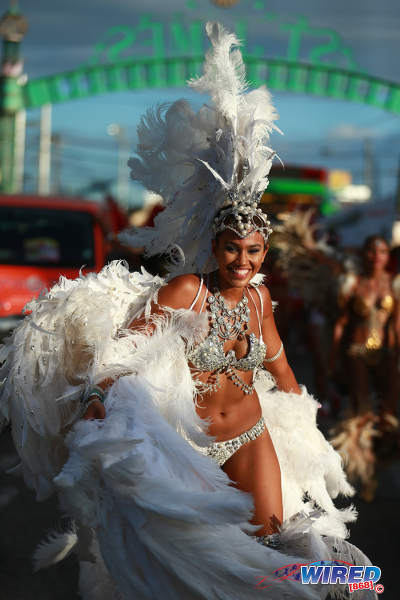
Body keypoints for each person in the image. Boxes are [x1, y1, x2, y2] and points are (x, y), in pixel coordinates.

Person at [0, 23, 375, 600]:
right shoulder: (185, 292)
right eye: (232, 249)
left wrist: (305, 415)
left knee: (277, 544)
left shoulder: (259, 299)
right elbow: (123, 351)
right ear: (215, 246)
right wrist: (98, 394)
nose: (242, 261)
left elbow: (276, 363)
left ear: (264, 253)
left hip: (249, 433)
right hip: (190, 446)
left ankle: (331, 582)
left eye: (253, 252)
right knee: (199, 561)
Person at [330, 235, 400, 500]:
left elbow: (397, 325)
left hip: (386, 355)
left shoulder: (395, 284)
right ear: (364, 254)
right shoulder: (353, 283)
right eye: (371, 250)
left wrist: (396, 358)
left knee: (387, 415)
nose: (376, 256)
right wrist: (333, 360)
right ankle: (365, 471)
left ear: (387, 255)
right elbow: (341, 324)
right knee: (362, 412)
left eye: (381, 250)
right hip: (356, 353)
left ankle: (379, 462)